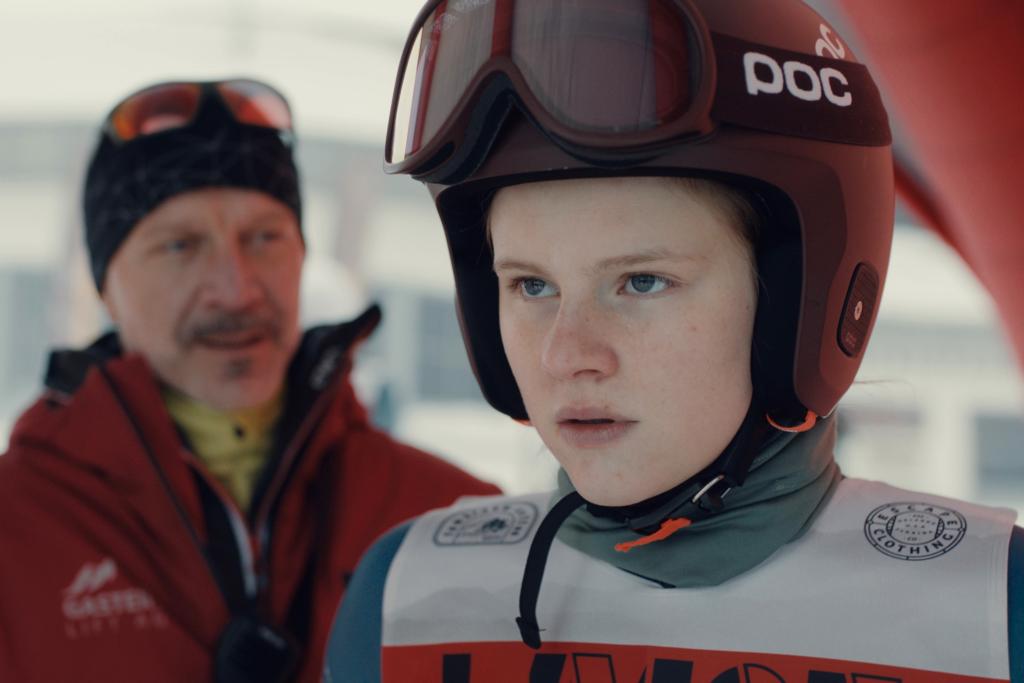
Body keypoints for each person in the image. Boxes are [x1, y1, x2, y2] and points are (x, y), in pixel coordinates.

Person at [324, 1, 1023, 681]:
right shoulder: (402, 608)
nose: (565, 356)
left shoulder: (995, 616)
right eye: (532, 286)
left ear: (798, 305)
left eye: (642, 282)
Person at [0, 78, 498, 683]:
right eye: (180, 245)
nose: (236, 289)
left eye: (264, 237)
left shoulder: (457, 524)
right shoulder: (16, 530)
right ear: (107, 287)